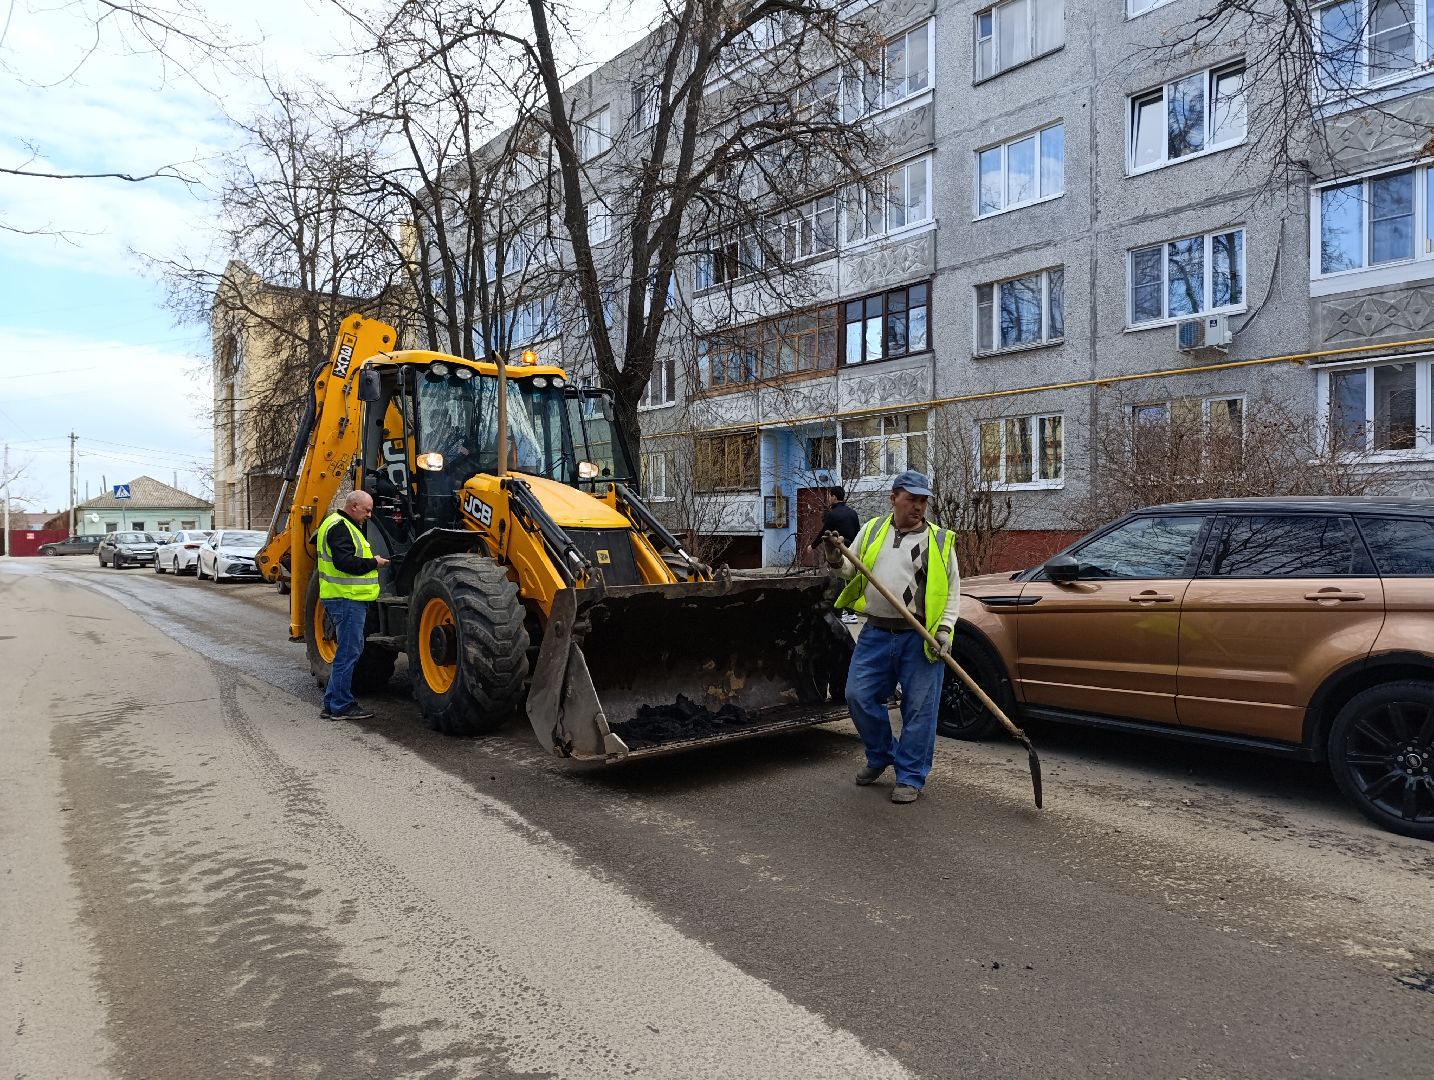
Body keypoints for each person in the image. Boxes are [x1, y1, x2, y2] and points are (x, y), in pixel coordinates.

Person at [824, 470, 960, 804]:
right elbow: (848, 569)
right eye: (911, 499)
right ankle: (882, 753)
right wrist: (833, 555)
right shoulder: (872, 530)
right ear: (894, 498)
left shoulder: (939, 541)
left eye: (923, 501)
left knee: (918, 710)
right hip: (876, 633)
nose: (918, 507)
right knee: (857, 695)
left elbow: (954, 590)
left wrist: (944, 631)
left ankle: (911, 776)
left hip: (920, 636)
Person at [316, 490, 391, 721]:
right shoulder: (340, 527)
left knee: (347, 652)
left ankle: (331, 704)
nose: (369, 515)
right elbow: (345, 563)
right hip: (346, 599)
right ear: (354, 506)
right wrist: (373, 562)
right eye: (367, 510)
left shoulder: (340, 524)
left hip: (347, 599)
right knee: (348, 653)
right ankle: (341, 705)